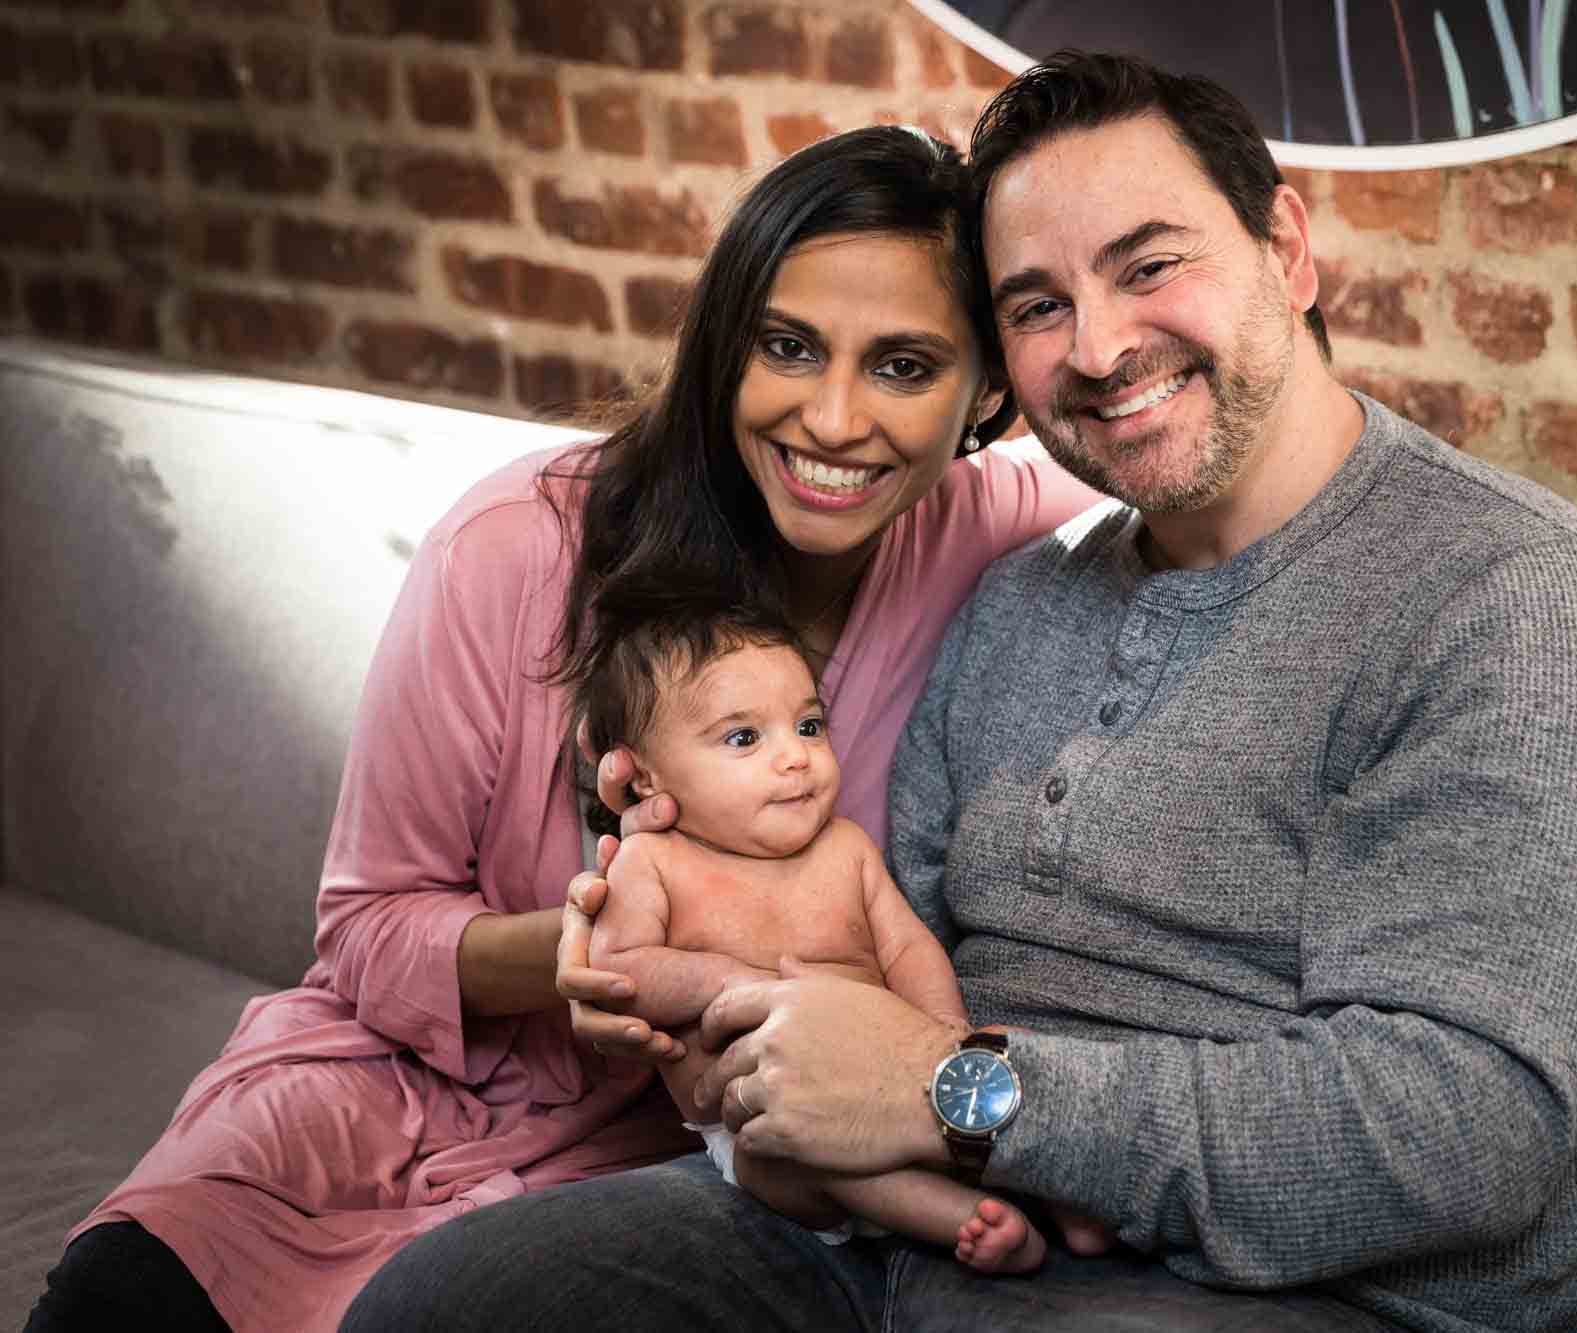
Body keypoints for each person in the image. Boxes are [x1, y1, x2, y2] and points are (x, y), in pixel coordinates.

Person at [344, 52, 1577, 1332]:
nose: (1097, 347)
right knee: (451, 1303)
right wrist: (757, 1047)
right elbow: (869, 947)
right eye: (1038, 305)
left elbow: (1461, 1134)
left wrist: (954, 1091)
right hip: (881, 1229)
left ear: (1287, 248)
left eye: (1151, 266)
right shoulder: (1022, 599)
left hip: (1294, 1295)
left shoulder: (1517, 611)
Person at [26, 126, 1099, 1332]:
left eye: (904, 365)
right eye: (785, 346)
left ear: (985, 395)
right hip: (366, 1108)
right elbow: (368, 928)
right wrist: (596, 958)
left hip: (665, 1163)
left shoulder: (976, 526)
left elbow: (1196, 468)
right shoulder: (512, 547)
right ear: (719, 344)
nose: (835, 419)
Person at [576, 593, 1102, 1270]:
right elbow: (618, 969)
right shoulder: (654, 861)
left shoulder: (845, 848)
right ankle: (963, 1218)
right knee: (801, 1153)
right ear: (645, 775)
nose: (795, 757)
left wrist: (945, 1038)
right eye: (744, 737)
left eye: (809, 725)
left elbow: (908, 947)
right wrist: (731, 982)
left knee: (1013, 1056)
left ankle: (1067, 1191)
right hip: (763, 1113)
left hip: (893, 1075)